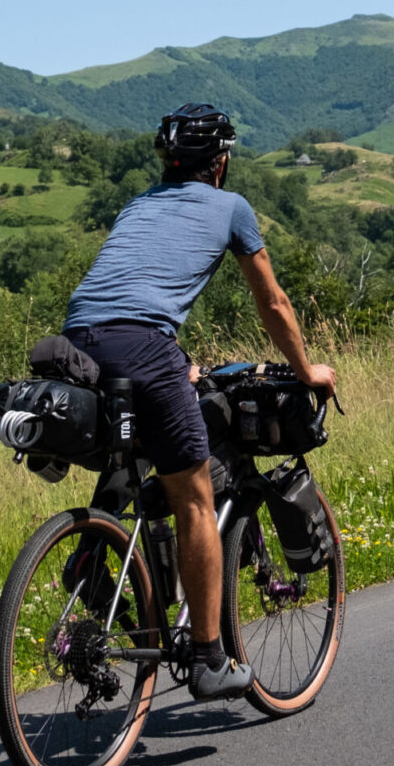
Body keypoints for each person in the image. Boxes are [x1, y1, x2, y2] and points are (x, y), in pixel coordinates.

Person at [62, 103, 337, 700]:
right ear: (221, 161)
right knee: (194, 497)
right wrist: (306, 369)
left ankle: (89, 558)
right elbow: (274, 303)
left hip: (78, 340)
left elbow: (130, 289)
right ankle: (211, 659)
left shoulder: (138, 204)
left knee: (128, 458)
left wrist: (174, 356)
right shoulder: (231, 207)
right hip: (143, 345)